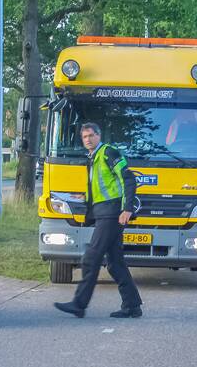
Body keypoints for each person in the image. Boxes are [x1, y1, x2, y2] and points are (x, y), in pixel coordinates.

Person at [55, 123, 144, 319]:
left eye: (91, 135)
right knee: (115, 263)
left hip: (112, 214)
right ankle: (132, 305)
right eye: (84, 136)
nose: (87, 139)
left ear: (98, 135)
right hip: (103, 212)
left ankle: (79, 304)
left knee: (91, 257)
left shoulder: (108, 153)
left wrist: (127, 209)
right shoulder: (93, 157)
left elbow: (128, 179)